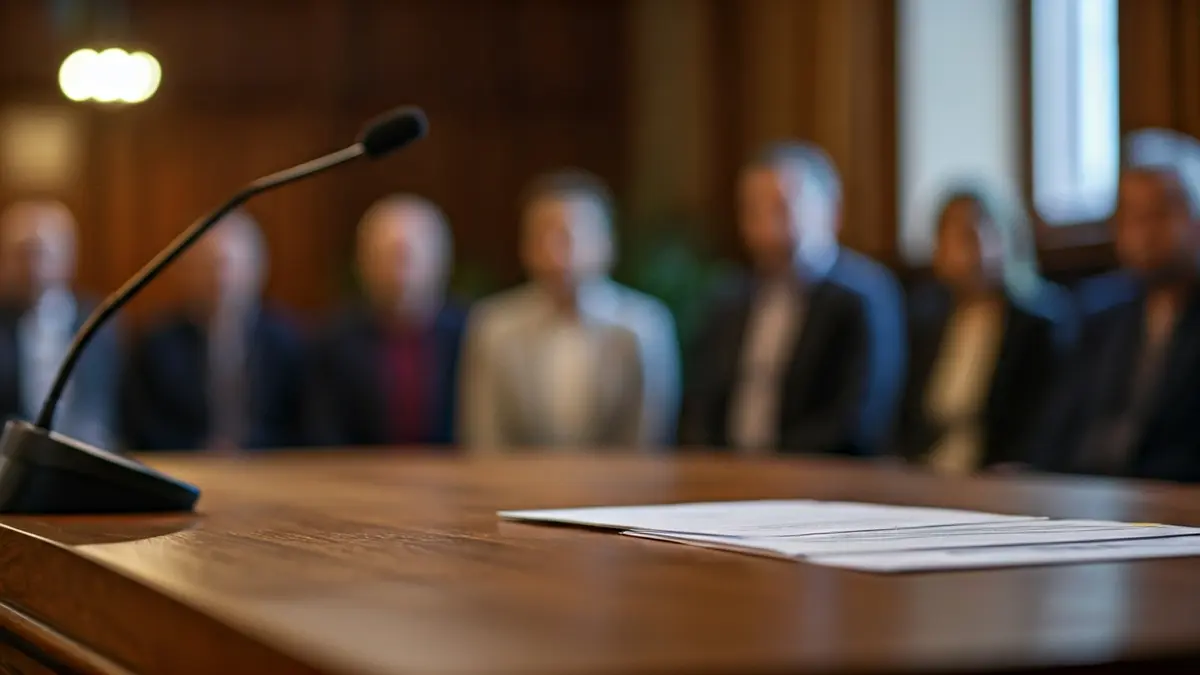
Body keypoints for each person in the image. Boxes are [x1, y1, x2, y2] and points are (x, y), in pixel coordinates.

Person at [679, 144, 877, 455]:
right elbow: (698, 405)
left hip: (820, 481)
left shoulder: (861, 298)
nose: (767, 228)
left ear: (831, 212)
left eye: (782, 209)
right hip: (726, 476)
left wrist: (770, 471)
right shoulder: (729, 298)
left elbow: (855, 422)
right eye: (753, 211)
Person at [1033, 131, 1200, 481]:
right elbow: (1058, 430)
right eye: (1131, 216)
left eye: (1160, 213)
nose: (1143, 232)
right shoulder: (1100, 313)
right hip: (1089, 499)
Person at [459, 171, 661, 450]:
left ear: (607, 243)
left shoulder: (643, 326)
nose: (552, 249)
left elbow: (648, 442)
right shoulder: (494, 325)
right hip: (516, 489)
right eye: (540, 234)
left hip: (621, 490)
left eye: (566, 234)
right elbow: (485, 441)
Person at [896, 188, 1075, 474]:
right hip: (929, 474)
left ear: (1006, 238)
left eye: (969, 235)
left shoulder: (1041, 324)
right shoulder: (925, 321)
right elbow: (905, 420)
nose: (959, 251)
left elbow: (1049, 426)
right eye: (947, 236)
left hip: (1001, 479)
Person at [122, 211, 306, 451]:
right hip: (185, 469)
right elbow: (143, 426)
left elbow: (300, 425)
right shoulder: (157, 344)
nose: (221, 279)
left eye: (230, 265)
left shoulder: (286, 340)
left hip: (272, 469)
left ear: (257, 270)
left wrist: (246, 450)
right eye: (208, 266)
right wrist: (203, 449)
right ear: (187, 272)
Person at [307, 195, 467, 447]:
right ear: (361, 264)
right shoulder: (333, 342)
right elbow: (324, 436)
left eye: (405, 255)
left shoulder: (473, 335)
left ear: (441, 260)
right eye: (382, 255)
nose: (397, 271)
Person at [0, 200, 119, 448]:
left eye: (40, 252)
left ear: (68, 255)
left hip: (86, 458)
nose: (31, 266)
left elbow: (114, 407)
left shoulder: (102, 320)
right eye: (21, 254)